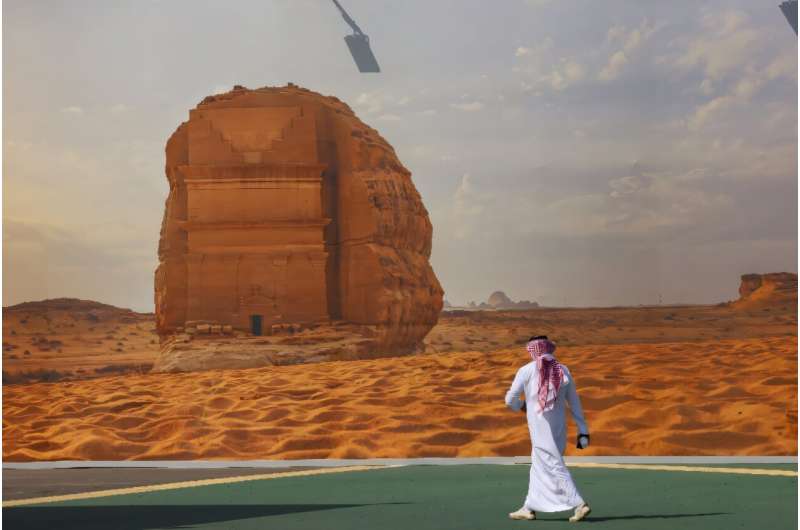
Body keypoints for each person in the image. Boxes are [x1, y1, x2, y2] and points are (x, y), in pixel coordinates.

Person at [504, 335, 591, 522]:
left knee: (553, 464)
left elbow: (510, 399)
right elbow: (574, 402)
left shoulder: (526, 370)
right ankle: (528, 507)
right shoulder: (563, 370)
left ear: (532, 349)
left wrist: (522, 407)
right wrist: (582, 429)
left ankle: (579, 504)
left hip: (540, 427)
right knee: (538, 466)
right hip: (559, 427)